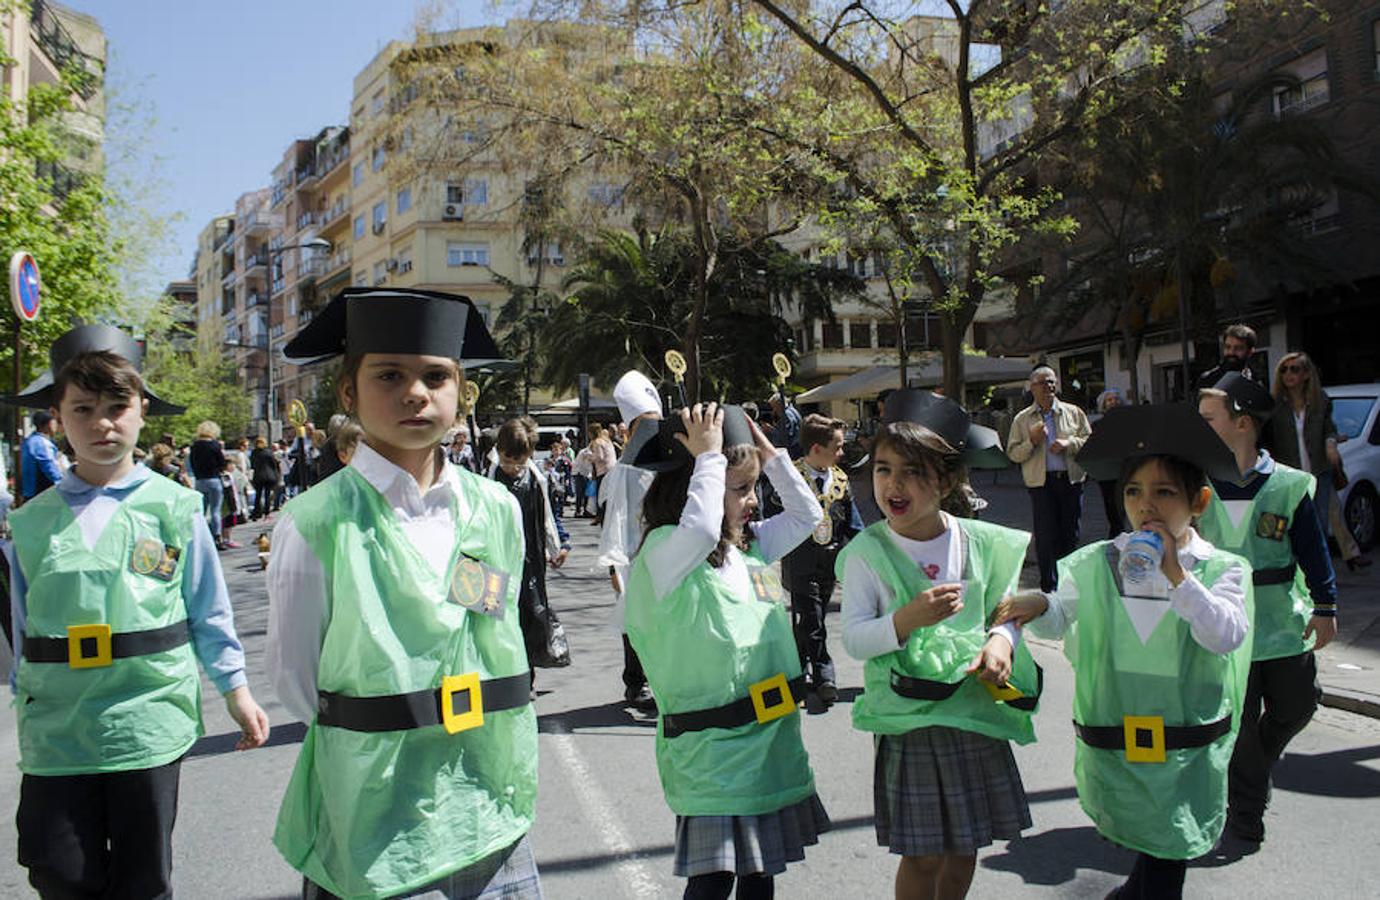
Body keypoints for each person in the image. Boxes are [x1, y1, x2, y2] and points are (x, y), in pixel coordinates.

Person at [266, 287, 540, 898]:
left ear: (461, 392)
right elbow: (295, 678)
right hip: (376, 813)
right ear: (348, 392)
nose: (416, 392)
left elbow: (496, 624)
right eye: (389, 375)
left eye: (436, 376)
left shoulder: (495, 505)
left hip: (487, 796)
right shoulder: (315, 520)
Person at [2, 324, 269, 897]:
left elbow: (207, 608)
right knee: (58, 867)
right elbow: (21, 630)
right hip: (57, 729)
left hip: (145, 719)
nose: (103, 423)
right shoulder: (28, 524)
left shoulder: (175, 508)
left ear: (143, 410)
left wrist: (237, 688)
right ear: (58, 414)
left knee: (142, 878)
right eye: (84, 408)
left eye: (118, 406)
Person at [998, 403, 1252, 899]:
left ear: (1198, 501)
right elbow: (1063, 619)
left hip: (1185, 745)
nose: (1146, 506)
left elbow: (1225, 634)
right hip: (1119, 737)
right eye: (1134, 492)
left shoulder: (1220, 569)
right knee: (1148, 841)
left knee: (1168, 849)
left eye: (1164, 493)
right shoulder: (1098, 563)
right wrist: (1036, 606)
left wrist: (1178, 575)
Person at [838, 390, 1038, 900]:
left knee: (965, 845)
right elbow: (856, 640)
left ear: (946, 480)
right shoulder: (867, 551)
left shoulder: (978, 541)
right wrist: (905, 619)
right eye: (883, 470)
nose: (893, 485)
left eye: (912, 471)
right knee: (922, 853)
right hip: (912, 723)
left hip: (974, 713)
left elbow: (1006, 610)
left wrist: (1000, 641)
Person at [625, 403, 829, 899]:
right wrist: (710, 458)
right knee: (712, 881)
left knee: (760, 877)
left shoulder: (750, 548)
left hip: (766, 744)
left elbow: (809, 516)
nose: (753, 500)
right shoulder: (666, 550)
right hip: (711, 753)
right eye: (740, 490)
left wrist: (772, 457)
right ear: (696, 487)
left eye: (753, 487)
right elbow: (698, 530)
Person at [1198, 373, 1338, 852]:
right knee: (1237, 725)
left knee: (1300, 702)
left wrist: (1326, 604)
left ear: (1242, 423)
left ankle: (1256, 757)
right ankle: (1246, 817)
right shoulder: (1196, 484)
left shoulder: (1288, 485)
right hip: (1224, 626)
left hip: (1281, 621)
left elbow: (1314, 549)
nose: (1200, 427)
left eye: (1208, 418)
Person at [765, 413, 862, 705]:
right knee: (813, 618)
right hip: (800, 560)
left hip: (829, 561)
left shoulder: (840, 479)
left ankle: (795, 669)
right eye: (838, 446)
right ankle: (824, 675)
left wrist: (869, 547)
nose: (842, 452)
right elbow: (773, 516)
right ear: (817, 449)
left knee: (808, 622)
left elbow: (853, 522)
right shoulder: (790, 478)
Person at [488, 416, 572, 688]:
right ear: (498, 450)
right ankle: (496, 672)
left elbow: (549, 513)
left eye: (519, 461)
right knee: (492, 616)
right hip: (494, 558)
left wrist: (558, 545)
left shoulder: (536, 478)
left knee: (530, 615)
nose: (512, 467)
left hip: (529, 560)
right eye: (507, 460)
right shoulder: (486, 477)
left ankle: (526, 677)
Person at [597, 369, 663, 712]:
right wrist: (613, 565)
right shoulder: (624, 469)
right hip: (635, 555)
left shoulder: (671, 460)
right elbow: (614, 520)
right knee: (634, 618)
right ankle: (636, 683)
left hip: (666, 551)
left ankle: (664, 677)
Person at [1263, 352, 1361, 565]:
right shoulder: (1275, 405)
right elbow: (1266, 438)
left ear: (1306, 374)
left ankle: (1319, 571)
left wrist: (1331, 443)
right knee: (1288, 521)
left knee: (1320, 521)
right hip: (1289, 474)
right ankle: (1289, 567)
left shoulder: (1320, 401)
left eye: (1294, 369)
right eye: (1284, 369)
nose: (1288, 374)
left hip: (1318, 471)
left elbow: (1330, 429)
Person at [1006, 366, 1091, 592]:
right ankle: (1048, 588)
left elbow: (1090, 442)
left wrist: (1069, 443)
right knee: (1045, 537)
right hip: (1041, 485)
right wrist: (1032, 441)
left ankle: (1068, 586)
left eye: (1052, 382)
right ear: (1032, 387)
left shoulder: (1074, 412)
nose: (1049, 387)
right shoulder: (1022, 420)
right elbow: (1013, 454)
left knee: (1070, 535)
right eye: (1043, 383)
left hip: (1071, 481)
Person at [188, 421, 232, 550]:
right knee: (215, 511)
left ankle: (200, 536)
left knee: (201, 510)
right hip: (214, 479)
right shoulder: (215, 445)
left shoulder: (194, 446)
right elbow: (222, 463)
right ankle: (217, 537)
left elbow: (192, 463)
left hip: (200, 480)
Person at [1091, 388, 1127, 539]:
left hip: (1125, 470)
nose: (1113, 402)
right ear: (1104, 404)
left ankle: (1122, 532)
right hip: (1105, 472)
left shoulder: (1128, 422)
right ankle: (1115, 533)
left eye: (1115, 399)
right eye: (1109, 400)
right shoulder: (1097, 425)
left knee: (1124, 504)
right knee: (1111, 505)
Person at [1194, 323, 1260, 391]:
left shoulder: (1255, 381)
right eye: (1228, 347)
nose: (1231, 352)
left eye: (1238, 348)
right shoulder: (1208, 379)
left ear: (1250, 352)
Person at [20, 409, 64, 500]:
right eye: (55, 422)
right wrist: (64, 484)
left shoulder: (30, 440)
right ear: (49, 424)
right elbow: (50, 469)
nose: (56, 425)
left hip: (29, 492)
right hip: (42, 493)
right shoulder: (41, 443)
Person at [589, 425, 617, 526]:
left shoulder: (597, 442)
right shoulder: (607, 440)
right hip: (612, 469)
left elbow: (599, 457)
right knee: (609, 495)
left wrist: (590, 457)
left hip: (603, 471)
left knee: (601, 496)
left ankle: (602, 518)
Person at [250, 436, 279, 520]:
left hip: (258, 475)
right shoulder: (268, 452)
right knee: (267, 494)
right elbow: (274, 464)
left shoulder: (254, 453)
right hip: (269, 475)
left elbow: (252, 464)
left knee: (258, 495)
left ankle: (256, 513)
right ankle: (267, 513)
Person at [768, 394, 802, 458]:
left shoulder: (787, 414)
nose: (774, 410)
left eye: (774, 407)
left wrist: (771, 429)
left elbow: (786, 434)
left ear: (779, 404)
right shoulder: (793, 410)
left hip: (792, 450)